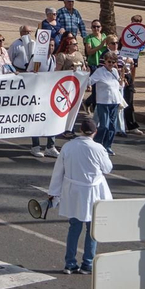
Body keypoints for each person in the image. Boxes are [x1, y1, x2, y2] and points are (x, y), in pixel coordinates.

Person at [47, 115, 113, 274]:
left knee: (74, 227)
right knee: (92, 229)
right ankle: (87, 264)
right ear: (95, 132)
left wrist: (53, 193)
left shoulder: (68, 147)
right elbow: (107, 168)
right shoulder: (98, 148)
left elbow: (58, 172)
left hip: (74, 192)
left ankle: (70, 263)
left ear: (80, 131)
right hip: (93, 193)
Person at [83, 55, 125, 151]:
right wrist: (86, 74)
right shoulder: (99, 72)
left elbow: (118, 86)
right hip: (103, 102)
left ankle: (107, 146)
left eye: (113, 62)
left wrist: (122, 81)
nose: (111, 64)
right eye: (109, 61)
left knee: (112, 126)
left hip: (114, 102)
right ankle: (97, 144)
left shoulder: (114, 71)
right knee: (104, 125)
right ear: (105, 61)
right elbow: (89, 81)